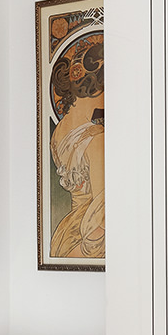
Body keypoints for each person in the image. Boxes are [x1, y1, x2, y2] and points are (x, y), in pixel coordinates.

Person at [50, 91, 105, 260]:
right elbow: (100, 217)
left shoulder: (59, 133)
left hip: (65, 236)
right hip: (87, 240)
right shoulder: (97, 139)